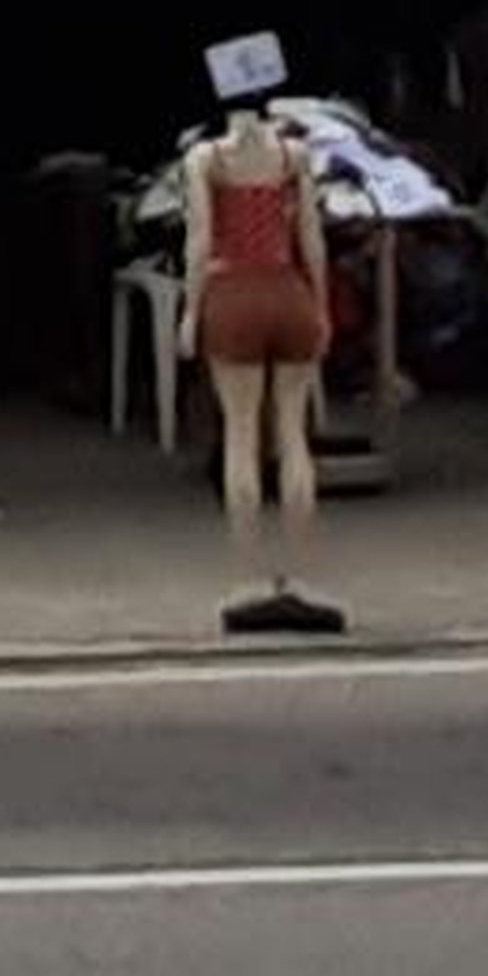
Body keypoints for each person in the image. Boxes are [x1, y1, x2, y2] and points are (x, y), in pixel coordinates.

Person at [179, 105, 343, 635]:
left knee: (241, 438)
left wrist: (190, 312)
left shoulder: (207, 159)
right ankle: (304, 575)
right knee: (294, 437)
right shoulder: (294, 156)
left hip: (232, 293)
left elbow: (201, 241)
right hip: (286, 288)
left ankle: (246, 577)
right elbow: (312, 240)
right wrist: (319, 305)